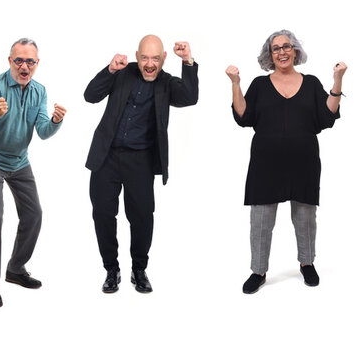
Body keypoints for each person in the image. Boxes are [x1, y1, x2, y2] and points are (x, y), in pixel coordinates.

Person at [226, 30, 346, 294]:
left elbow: (328, 116)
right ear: (270, 55)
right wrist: (235, 83)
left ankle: (307, 263)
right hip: (265, 165)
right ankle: (258, 270)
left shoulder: (312, 83)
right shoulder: (259, 84)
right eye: (275, 48)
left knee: (305, 218)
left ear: (295, 51)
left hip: (303, 163)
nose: (281, 51)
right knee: (260, 221)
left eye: (286, 46)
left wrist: (337, 80)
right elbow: (243, 116)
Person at [84, 35, 198, 294]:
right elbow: (90, 95)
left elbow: (190, 97)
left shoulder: (167, 83)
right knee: (102, 214)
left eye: (155, 58)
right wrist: (111, 69)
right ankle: (111, 269)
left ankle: (139, 269)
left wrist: (188, 61)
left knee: (143, 218)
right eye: (145, 57)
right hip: (107, 157)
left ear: (163, 59)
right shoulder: (123, 73)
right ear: (137, 56)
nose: (149, 64)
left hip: (141, 161)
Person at [0, 38, 66, 308]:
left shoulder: (39, 91)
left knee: (34, 214)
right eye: (19, 60)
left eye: (30, 61)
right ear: (10, 61)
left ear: (37, 64)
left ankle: (15, 268)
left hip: (19, 162)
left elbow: (43, 132)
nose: (24, 66)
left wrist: (56, 122)